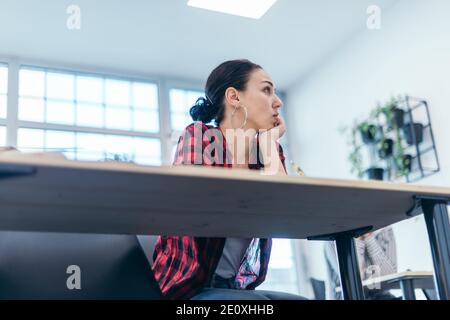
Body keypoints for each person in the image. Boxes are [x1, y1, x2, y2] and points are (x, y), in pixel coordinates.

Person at [151, 59, 305, 300]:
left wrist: (268, 144)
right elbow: (206, 210)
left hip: (233, 286)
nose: (278, 102)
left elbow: (285, 214)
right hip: (186, 287)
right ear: (234, 97)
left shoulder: (266, 152)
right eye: (266, 90)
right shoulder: (199, 136)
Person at [324, 226, 398, 300]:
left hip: (380, 295)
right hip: (347, 296)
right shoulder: (332, 238)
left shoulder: (385, 230)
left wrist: (369, 238)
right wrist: (358, 239)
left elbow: (389, 277)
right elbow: (355, 279)